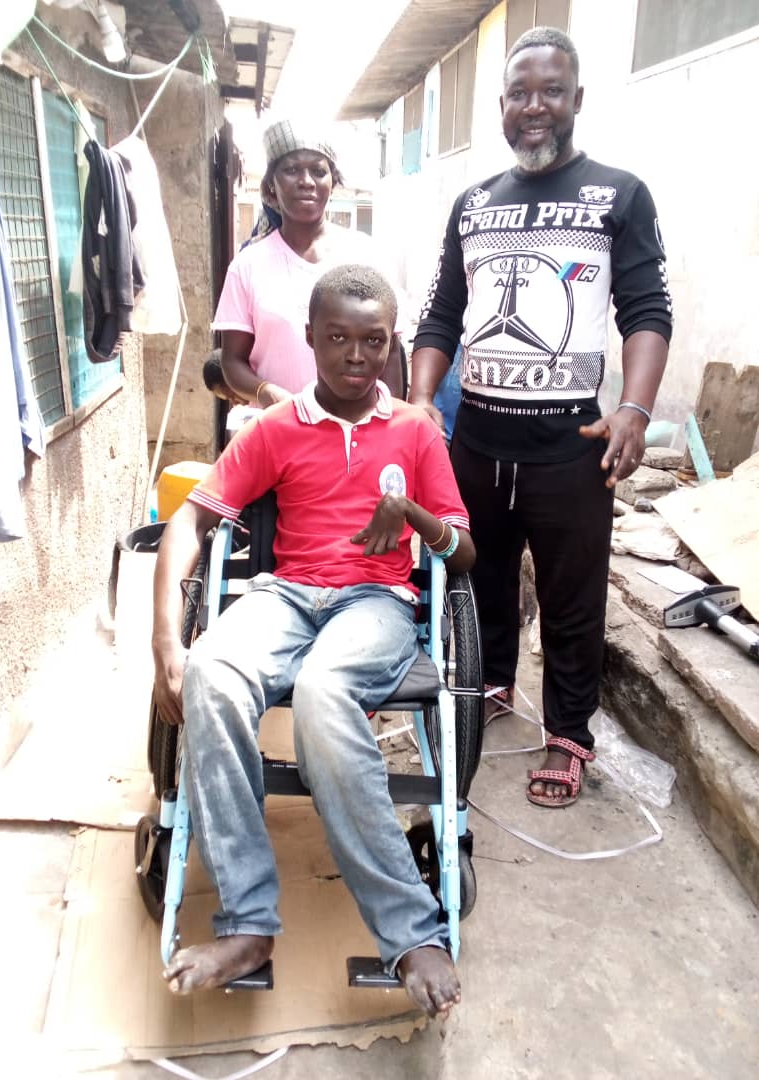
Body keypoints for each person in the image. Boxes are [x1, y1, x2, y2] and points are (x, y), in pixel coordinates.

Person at [152, 264, 475, 1018]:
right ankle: (247, 924)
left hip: (377, 601)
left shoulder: (414, 433)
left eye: (373, 341)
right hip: (289, 594)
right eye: (337, 339)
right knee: (212, 671)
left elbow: (462, 553)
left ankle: (409, 931)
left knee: (328, 694)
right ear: (309, 339)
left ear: (392, 345)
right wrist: (167, 642)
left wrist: (417, 519)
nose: (356, 357)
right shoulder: (276, 427)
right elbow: (189, 522)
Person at [409, 27, 672, 808]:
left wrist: (633, 408)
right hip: (478, 439)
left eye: (550, 91)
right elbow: (440, 315)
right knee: (480, 573)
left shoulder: (617, 194)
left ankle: (568, 734)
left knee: (571, 594)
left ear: (577, 101)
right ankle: (490, 683)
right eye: (520, 94)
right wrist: (424, 402)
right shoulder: (474, 203)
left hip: (570, 445)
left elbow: (648, 309)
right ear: (500, 107)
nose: (535, 108)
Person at [214, 119, 405, 407]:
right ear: (271, 186)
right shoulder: (247, 266)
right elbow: (231, 360)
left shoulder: (367, 255)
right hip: (279, 429)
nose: (306, 181)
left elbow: (391, 352)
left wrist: (387, 420)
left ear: (333, 182)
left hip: (356, 429)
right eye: (291, 170)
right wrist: (266, 393)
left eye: (318, 171)